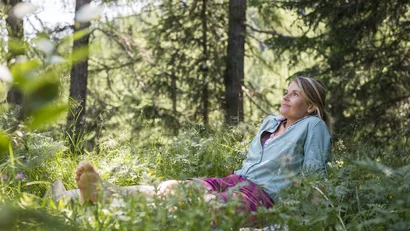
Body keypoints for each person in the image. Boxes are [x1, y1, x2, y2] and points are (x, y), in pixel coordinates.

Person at [52, 76, 332, 226]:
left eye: (294, 94)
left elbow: (314, 174)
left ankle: (105, 204)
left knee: (205, 209)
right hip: (236, 179)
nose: (285, 96)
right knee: (171, 189)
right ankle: (87, 194)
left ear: (310, 106)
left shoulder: (312, 126)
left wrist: (308, 216)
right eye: (286, 90)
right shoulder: (272, 121)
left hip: (262, 194)